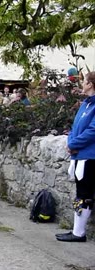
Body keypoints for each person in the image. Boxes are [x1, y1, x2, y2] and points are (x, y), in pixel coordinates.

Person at [56, 71, 95, 242]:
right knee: (81, 192)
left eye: (84, 81)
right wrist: (70, 142)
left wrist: (74, 144)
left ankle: (79, 233)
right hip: (79, 154)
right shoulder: (85, 104)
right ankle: (76, 231)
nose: (82, 84)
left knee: (85, 194)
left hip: (89, 155)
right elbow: (75, 126)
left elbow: (93, 131)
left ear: (90, 84)